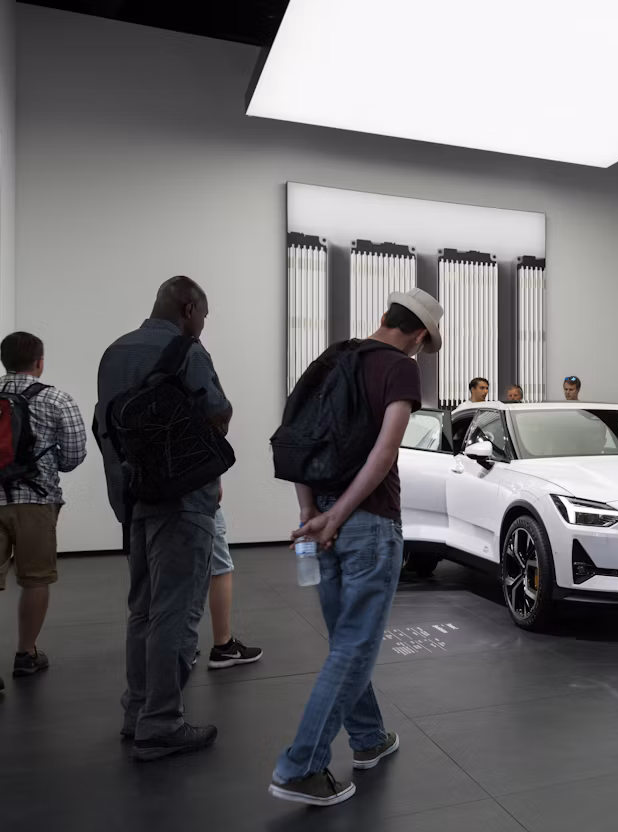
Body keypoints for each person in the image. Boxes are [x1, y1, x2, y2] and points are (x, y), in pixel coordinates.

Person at [270, 287, 443, 807]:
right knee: (354, 646)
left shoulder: (331, 359)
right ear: (419, 335)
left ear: (384, 315)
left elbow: (296, 439)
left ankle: (368, 738)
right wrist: (341, 514)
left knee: (346, 641)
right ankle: (301, 766)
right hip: (368, 523)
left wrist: (312, 511)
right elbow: (385, 452)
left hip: (323, 516)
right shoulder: (399, 367)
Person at [95, 276, 231, 760]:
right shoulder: (187, 351)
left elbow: (106, 424)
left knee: (144, 610)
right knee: (177, 610)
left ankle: (137, 712)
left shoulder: (114, 353)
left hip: (133, 498)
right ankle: (161, 723)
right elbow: (217, 412)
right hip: (183, 498)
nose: (203, 325)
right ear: (189, 308)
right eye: (204, 316)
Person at [0, 332, 87, 692]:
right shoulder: (56, 399)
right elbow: (74, 454)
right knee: (35, 579)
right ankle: (26, 654)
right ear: (39, 362)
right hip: (36, 501)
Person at [202, 508, 263, 669]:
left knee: (181, 570)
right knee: (221, 568)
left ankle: (182, 645)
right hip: (199, 503)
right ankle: (224, 647)